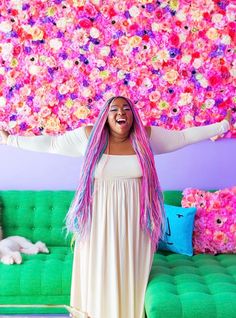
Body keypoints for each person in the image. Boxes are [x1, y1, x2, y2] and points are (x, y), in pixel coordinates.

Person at [0, 96, 232, 318]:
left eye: (126, 108)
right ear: (105, 116)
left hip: (136, 225)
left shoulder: (145, 137)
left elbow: (183, 137)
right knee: (99, 275)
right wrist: (10, 140)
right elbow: (51, 143)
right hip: (97, 223)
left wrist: (223, 125)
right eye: (114, 109)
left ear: (133, 115)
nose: (121, 112)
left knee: (129, 277)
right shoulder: (89, 137)